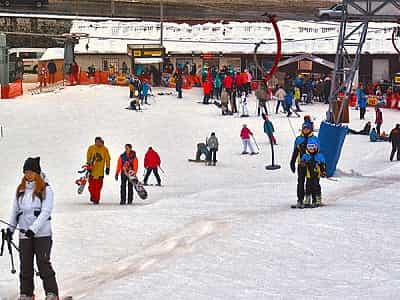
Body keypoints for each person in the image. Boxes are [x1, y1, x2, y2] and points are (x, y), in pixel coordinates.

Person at [7, 157, 59, 300]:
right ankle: (27, 294)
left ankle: (52, 293)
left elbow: (46, 212)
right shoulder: (20, 190)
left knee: (43, 263)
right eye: (26, 172)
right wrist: (10, 230)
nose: (28, 175)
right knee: (25, 265)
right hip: (24, 235)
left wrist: (33, 229)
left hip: (42, 234)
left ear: (37, 172)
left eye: (30, 172)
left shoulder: (46, 189)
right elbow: (15, 212)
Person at [290, 122, 316, 208]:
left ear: (310, 129)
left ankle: (312, 199)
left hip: (311, 164)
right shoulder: (298, 139)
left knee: (311, 182)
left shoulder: (314, 139)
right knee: (300, 182)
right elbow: (295, 152)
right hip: (301, 164)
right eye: (304, 129)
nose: (305, 130)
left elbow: (318, 152)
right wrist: (292, 162)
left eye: (307, 129)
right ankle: (300, 200)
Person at [301, 138, 326, 208]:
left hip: (316, 175)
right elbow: (302, 163)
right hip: (309, 175)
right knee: (308, 186)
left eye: (313, 147)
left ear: (316, 147)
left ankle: (317, 199)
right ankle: (307, 199)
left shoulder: (319, 156)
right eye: (309, 147)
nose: (311, 149)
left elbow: (322, 165)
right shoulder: (306, 155)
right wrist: (303, 163)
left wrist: (323, 172)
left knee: (316, 186)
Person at [86, 137, 111, 204]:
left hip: (100, 172)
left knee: (98, 187)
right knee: (91, 187)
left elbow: (108, 159)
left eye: (99, 142)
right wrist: (88, 165)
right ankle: (93, 196)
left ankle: (96, 199)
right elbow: (88, 157)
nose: (98, 143)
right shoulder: (91, 148)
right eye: (96, 142)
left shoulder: (105, 149)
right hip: (92, 171)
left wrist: (108, 168)